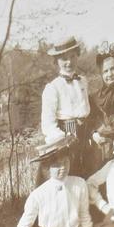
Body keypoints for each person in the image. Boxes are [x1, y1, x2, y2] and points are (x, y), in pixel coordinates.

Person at [37, 35, 90, 185]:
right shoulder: (53, 88)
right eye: (64, 58)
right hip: (66, 133)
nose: (69, 62)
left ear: (78, 56)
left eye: (73, 56)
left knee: (87, 172)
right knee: (69, 173)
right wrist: (64, 139)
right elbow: (48, 125)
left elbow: (86, 110)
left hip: (85, 132)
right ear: (56, 61)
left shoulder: (83, 81)